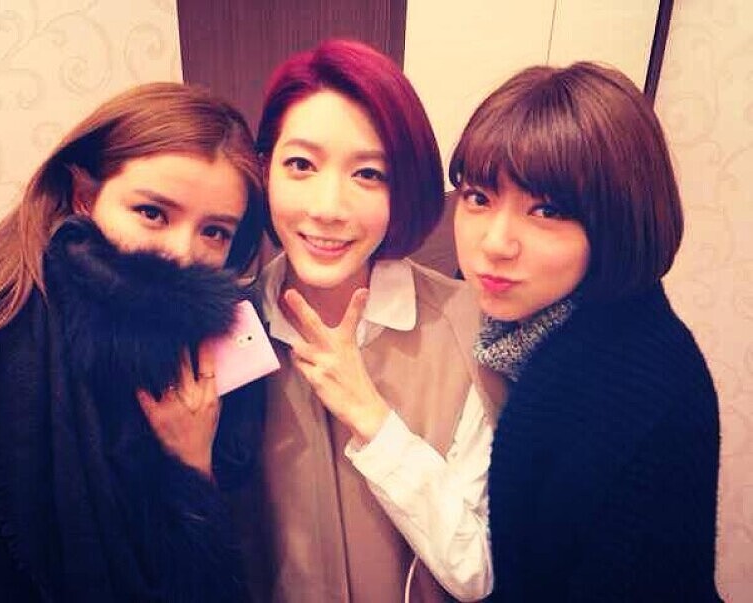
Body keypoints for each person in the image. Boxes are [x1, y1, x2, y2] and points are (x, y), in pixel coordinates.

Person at [0, 82, 265, 602]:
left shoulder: (216, 360)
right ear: (85, 198)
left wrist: (192, 463)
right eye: (152, 213)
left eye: (214, 232)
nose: (181, 254)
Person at [233, 39, 505, 602]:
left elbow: (476, 570)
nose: (328, 208)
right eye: (301, 165)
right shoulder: (232, 328)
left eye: (368, 174)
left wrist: (373, 419)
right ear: (263, 169)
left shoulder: (467, 325)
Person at [451, 62, 722, 601]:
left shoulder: (603, 384)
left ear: (617, 219)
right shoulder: (576, 327)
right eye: (479, 197)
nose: (496, 243)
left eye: (546, 210)